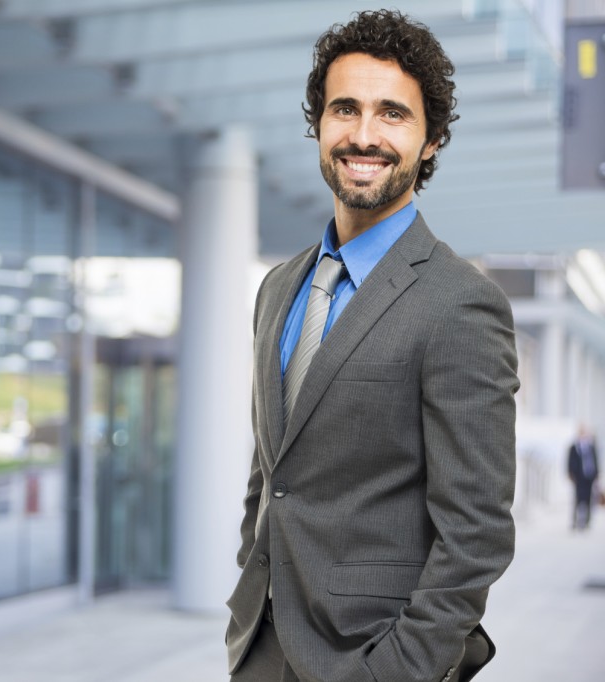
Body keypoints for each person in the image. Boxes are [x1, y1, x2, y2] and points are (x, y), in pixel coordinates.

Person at [225, 10, 519, 682]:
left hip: (371, 656)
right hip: (260, 647)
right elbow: (273, 472)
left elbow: (475, 532)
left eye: (393, 114)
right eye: (345, 109)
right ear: (318, 124)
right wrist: (248, 596)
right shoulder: (279, 286)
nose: (363, 135)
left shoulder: (460, 305)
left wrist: (397, 671)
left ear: (432, 138)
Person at [567, 426, 599, 530]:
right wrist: (570, 473)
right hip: (579, 477)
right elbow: (569, 461)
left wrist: (596, 474)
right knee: (578, 499)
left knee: (589, 499)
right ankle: (575, 521)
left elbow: (595, 460)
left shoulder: (591, 446)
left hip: (589, 476)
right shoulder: (574, 447)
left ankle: (587, 522)